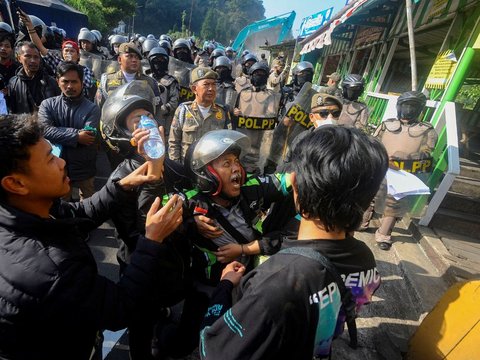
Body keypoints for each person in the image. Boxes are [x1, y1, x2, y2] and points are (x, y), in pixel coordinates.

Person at [0, 113, 184, 359]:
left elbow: (78, 213)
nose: (61, 162)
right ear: (16, 183)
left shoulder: (24, 209)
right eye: (49, 159)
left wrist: (121, 186)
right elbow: (120, 308)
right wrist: (152, 241)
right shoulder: (51, 270)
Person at [199, 125, 387, 359]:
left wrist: (225, 287)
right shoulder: (366, 259)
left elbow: (214, 350)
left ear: (295, 186)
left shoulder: (273, 284)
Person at [154, 129, 289, 358]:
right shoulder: (191, 200)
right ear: (206, 173)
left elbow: (291, 182)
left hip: (248, 278)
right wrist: (189, 222)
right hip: (206, 284)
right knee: (186, 340)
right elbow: (153, 215)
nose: (236, 168)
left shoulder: (250, 188)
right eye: (226, 163)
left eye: (236, 161)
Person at [371, 91, 438, 250]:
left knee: (394, 203)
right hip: (381, 166)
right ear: (399, 106)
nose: (408, 110)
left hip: (403, 173)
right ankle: (361, 222)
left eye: (412, 106)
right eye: (405, 105)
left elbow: (427, 152)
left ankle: (384, 233)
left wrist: (409, 157)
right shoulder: (387, 124)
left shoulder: (426, 130)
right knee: (370, 195)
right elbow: (373, 142)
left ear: (419, 109)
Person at [38, 62, 100, 201]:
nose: (70, 86)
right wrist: (76, 136)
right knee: (61, 204)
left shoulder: (92, 109)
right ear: (57, 81)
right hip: (57, 166)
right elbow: (44, 130)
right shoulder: (47, 105)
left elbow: (88, 136)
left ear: (82, 83)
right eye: (65, 81)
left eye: (74, 82)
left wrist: (57, 132)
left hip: (84, 166)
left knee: (88, 204)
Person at [19, 10, 96, 100]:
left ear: (78, 55)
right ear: (62, 54)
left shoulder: (86, 70)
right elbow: (39, 46)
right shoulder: (58, 64)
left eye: (72, 51)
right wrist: (30, 26)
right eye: (66, 51)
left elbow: (89, 83)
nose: (68, 53)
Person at [168, 67, 231, 163]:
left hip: (212, 168)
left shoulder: (222, 113)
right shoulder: (183, 111)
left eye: (214, 84)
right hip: (187, 168)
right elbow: (174, 142)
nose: (211, 89)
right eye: (206, 85)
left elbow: (227, 143)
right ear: (194, 89)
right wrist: (177, 167)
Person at [265, 61, 316, 173]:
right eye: (303, 74)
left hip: (299, 133)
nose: (306, 77)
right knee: (273, 158)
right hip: (281, 129)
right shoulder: (286, 91)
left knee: (290, 163)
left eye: (309, 74)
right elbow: (275, 109)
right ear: (296, 75)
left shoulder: (314, 96)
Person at [233, 62, 281, 174]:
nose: (259, 75)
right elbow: (234, 108)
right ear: (251, 75)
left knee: (255, 159)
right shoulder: (242, 92)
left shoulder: (271, 95)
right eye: (256, 73)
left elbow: (272, 114)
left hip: (260, 135)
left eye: (262, 73)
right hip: (243, 132)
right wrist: (234, 111)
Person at [6, 41, 60, 114]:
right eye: (28, 56)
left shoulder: (51, 82)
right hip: (23, 124)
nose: (33, 61)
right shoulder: (13, 83)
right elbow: (12, 111)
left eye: (36, 57)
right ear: (19, 58)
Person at [147, 46, 180, 136]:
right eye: (155, 61)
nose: (158, 64)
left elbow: (174, 102)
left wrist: (162, 109)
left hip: (165, 120)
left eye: (161, 61)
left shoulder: (172, 81)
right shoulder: (146, 79)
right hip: (147, 117)